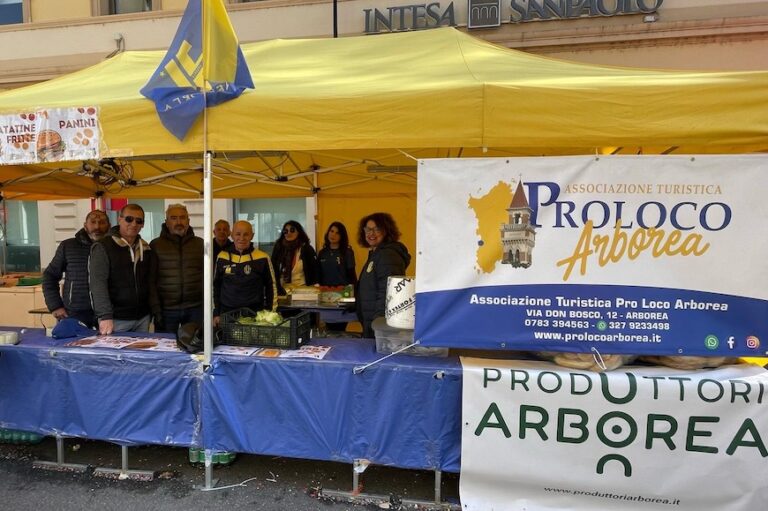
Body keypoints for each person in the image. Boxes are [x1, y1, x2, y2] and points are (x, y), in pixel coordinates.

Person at [89, 204, 154, 335]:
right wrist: (105, 315)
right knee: (115, 356)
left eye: (139, 220)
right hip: (116, 319)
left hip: (142, 317)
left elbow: (150, 281)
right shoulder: (103, 246)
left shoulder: (146, 248)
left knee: (140, 355)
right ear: (120, 220)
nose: (134, 224)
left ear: (142, 224)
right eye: (129, 219)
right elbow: (97, 284)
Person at [42, 210, 110, 328]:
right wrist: (55, 306)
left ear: (108, 226)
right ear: (85, 225)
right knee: (73, 345)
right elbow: (49, 276)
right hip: (75, 312)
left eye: (102, 222)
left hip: (109, 314)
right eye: (93, 222)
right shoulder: (68, 246)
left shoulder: (114, 247)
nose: (97, 226)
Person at [149, 204, 204, 333]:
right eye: (173, 218)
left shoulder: (200, 244)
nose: (179, 222)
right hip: (166, 310)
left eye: (182, 218)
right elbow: (150, 280)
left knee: (195, 346)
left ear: (188, 221)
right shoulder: (156, 245)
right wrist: (155, 308)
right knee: (165, 349)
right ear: (167, 222)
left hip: (194, 308)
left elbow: (207, 276)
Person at [356, 212, 411, 338]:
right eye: (368, 229)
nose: (371, 233)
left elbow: (387, 293)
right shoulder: (376, 254)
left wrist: (378, 323)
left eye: (377, 229)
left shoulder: (387, 256)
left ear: (387, 231)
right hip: (372, 321)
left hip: (379, 324)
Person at [213, 220, 277, 327]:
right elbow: (215, 286)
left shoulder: (262, 257)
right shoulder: (222, 256)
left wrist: (270, 313)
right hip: (227, 314)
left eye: (246, 234)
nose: (242, 238)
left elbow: (271, 286)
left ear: (252, 236)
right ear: (232, 235)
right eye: (238, 234)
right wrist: (216, 313)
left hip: (254, 314)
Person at [317, 221, 357, 332]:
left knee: (339, 329)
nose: (333, 235)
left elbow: (352, 276)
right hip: (326, 296)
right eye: (331, 231)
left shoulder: (347, 252)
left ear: (342, 236)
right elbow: (319, 276)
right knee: (329, 329)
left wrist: (354, 299)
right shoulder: (322, 253)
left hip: (343, 295)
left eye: (337, 233)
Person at [270, 220, 318, 296]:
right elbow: (273, 269)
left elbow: (315, 271)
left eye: (292, 230)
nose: (288, 233)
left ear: (298, 232)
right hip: (282, 291)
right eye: (285, 231)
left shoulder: (306, 249)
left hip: (303, 291)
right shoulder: (278, 248)